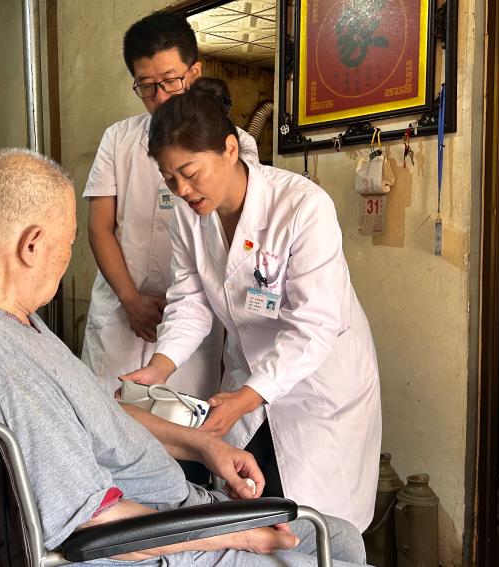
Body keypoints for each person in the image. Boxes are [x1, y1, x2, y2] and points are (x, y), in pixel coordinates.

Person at [0, 148, 369, 566]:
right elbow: (92, 524)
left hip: (173, 512)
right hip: (156, 542)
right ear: (31, 245)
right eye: (68, 244)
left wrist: (203, 446)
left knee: (341, 537)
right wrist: (240, 535)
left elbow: (94, 417)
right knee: (331, 546)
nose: (66, 261)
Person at [120, 83, 382, 531]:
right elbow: (190, 300)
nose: (182, 189)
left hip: (317, 384)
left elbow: (314, 327)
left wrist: (247, 397)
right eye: (169, 178)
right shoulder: (188, 213)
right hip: (248, 379)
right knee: (251, 510)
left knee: (319, 524)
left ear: (229, 149)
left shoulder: (301, 206)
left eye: (190, 172)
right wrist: (160, 367)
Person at [82, 12, 259, 400]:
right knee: (107, 417)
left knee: (181, 423)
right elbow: (99, 227)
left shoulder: (234, 144)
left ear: (194, 72)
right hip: (120, 315)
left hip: (191, 316)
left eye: (170, 81)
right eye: (147, 86)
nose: (160, 96)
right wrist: (131, 300)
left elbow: (229, 242)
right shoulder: (118, 139)